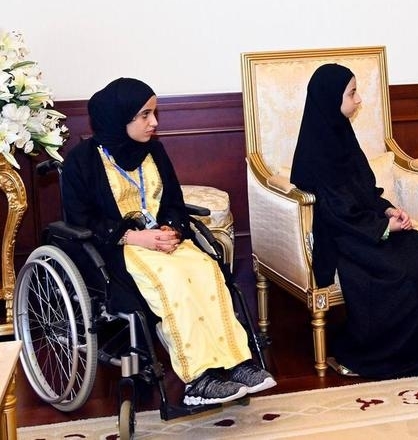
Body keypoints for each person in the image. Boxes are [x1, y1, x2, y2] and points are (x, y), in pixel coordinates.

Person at [61, 78, 276, 406]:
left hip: (163, 241)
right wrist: (134, 236)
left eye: (154, 113)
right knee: (172, 278)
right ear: (119, 118)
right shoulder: (82, 161)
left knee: (206, 268)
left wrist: (172, 228)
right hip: (117, 249)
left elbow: (174, 202)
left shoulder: (154, 151)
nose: (154, 123)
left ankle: (236, 362)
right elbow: (81, 219)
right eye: (145, 115)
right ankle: (199, 378)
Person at [290, 63, 418, 379]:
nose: (358, 100)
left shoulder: (343, 133)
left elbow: (364, 190)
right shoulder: (315, 150)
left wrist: (387, 212)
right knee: (396, 270)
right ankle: (373, 356)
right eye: (352, 93)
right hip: (342, 233)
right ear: (330, 98)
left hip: (365, 223)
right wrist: (382, 229)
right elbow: (335, 209)